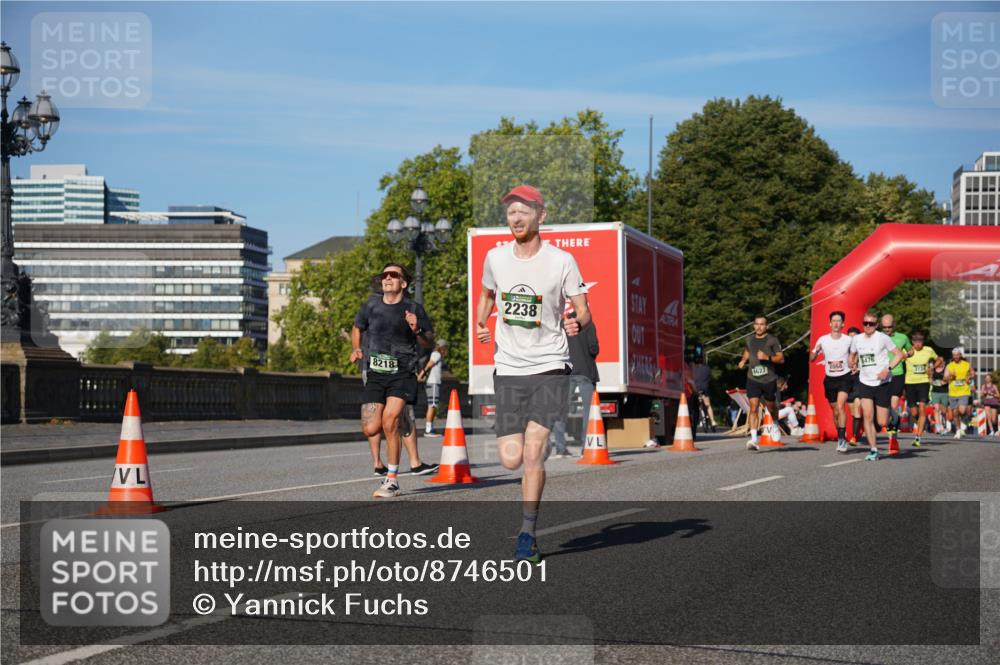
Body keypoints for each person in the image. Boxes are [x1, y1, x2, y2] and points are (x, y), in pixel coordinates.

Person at [475, 184, 590, 563]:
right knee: (510, 459)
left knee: (533, 451)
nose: (516, 218)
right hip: (509, 368)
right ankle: (528, 477)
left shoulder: (561, 261)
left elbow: (583, 308)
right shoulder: (495, 258)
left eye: (524, 211)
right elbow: (487, 295)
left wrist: (577, 322)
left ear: (541, 215)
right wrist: (481, 321)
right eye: (511, 212)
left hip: (550, 366)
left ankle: (527, 533)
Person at [351, 263, 435, 498]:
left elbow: (429, 342)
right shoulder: (371, 305)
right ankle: (400, 423)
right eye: (384, 275)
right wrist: (356, 348)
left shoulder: (413, 308)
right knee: (370, 428)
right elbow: (357, 327)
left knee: (390, 421)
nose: (387, 278)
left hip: (403, 371)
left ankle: (392, 480)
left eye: (393, 275)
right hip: (376, 372)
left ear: (403, 283)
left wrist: (417, 330)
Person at [849, 311, 905, 461]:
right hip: (865, 382)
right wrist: (852, 363)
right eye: (865, 323)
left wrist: (887, 369)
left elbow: (899, 355)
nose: (868, 326)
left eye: (871, 324)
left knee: (882, 422)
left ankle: (892, 413)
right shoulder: (857, 339)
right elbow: (852, 355)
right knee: (867, 416)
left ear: (876, 325)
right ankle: (874, 450)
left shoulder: (883, 338)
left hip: (882, 383)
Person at [550, 310, 599, 457]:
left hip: (566, 372)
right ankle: (586, 447)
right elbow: (594, 348)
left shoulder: (562, 324)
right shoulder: (588, 324)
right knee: (589, 412)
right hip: (585, 372)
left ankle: (560, 448)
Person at [737, 315, 784, 451]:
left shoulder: (772, 340)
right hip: (753, 378)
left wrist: (767, 357)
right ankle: (753, 439)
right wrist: (743, 360)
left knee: (771, 406)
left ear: (766, 326)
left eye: (762, 324)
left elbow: (781, 359)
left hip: (768, 379)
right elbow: (747, 351)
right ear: (753, 326)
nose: (759, 327)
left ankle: (775, 424)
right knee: (753, 407)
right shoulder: (749, 339)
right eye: (756, 324)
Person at [810, 310, 854, 452]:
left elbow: (856, 355)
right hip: (830, 379)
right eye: (833, 321)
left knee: (841, 406)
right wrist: (816, 351)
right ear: (830, 324)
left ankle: (842, 440)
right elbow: (811, 359)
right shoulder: (823, 340)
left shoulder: (848, 340)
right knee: (835, 411)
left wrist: (854, 364)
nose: (836, 323)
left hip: (845, 377)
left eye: (838, 321)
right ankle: (841, 433)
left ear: (843, 324)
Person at [880, 314, 912, 442]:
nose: (887, 329)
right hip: (882, 375)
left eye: (889, 327)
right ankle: (889, 425)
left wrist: (906, 355)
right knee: (884, 405)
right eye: (884, 327)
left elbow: (911, 350)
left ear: (894, 325)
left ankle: (893, 432)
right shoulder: (877, 337)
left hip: (897, 374)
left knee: (893, 404)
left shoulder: (902, 337)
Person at [903, 331, 936, 447]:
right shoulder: (907, 351)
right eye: (916, 341)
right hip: (910, 383)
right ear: (912, 342)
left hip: (923, 382)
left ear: (923, 341)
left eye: (920, 341)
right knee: (914, 412)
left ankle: (918, 437)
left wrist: (932, 368)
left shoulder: (928, 350)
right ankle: (921, 422)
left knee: (922, 408)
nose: (918, 343)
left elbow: (939, 359)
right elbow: (898, 359)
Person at [417, 339, 449, 437]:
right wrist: (421, 375)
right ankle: (428, 430)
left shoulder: (436, 354)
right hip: (433, 383)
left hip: (433, 383)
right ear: (443, 347)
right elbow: (429, 364)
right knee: (432, 406)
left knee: (433, 406)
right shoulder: (437, 354)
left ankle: (430, 428)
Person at [945, 347, 975, 439]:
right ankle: (958, 430)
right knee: (955, 413)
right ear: (952, 356)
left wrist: (970, 377)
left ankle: (964, 420)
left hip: (964, 391)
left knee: (962, 410)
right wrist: (950, 376)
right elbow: (945, 378)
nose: (956, 357)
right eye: (954, 355)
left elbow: (973, 373)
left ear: (960, 355)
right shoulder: (949, 366)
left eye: (957, 355)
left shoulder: (966, 364)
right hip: (953, 392)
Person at [845, 326, 864, 445]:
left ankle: (854, 437)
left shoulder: (863, 350)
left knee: (857, 407)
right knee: (853, 412)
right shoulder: (844, 351)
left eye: (854, 337)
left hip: (860, 379)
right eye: (850, 337)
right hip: (847, 381)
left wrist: (859, 369)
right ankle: (859, 428)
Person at [691, 355, 717, 431]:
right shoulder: (707, 368)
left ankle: (695, 422)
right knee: (708, 405)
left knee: (694, 406)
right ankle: (713, 421)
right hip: (705, 389)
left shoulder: (692, 369)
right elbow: (710, 378)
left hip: (696, 389)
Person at [929, 355, 951, 434]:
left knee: (944, 411)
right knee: (936, 409)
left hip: (944, 392)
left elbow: (947, 379)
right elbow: (930, 379)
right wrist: (931, 380)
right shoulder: (933, 369)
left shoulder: (946, 368)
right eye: (939, 361)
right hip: (935, 392)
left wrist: (945, 380)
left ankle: (944, 424)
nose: (940, 362)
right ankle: (939, 427)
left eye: (942, 361)